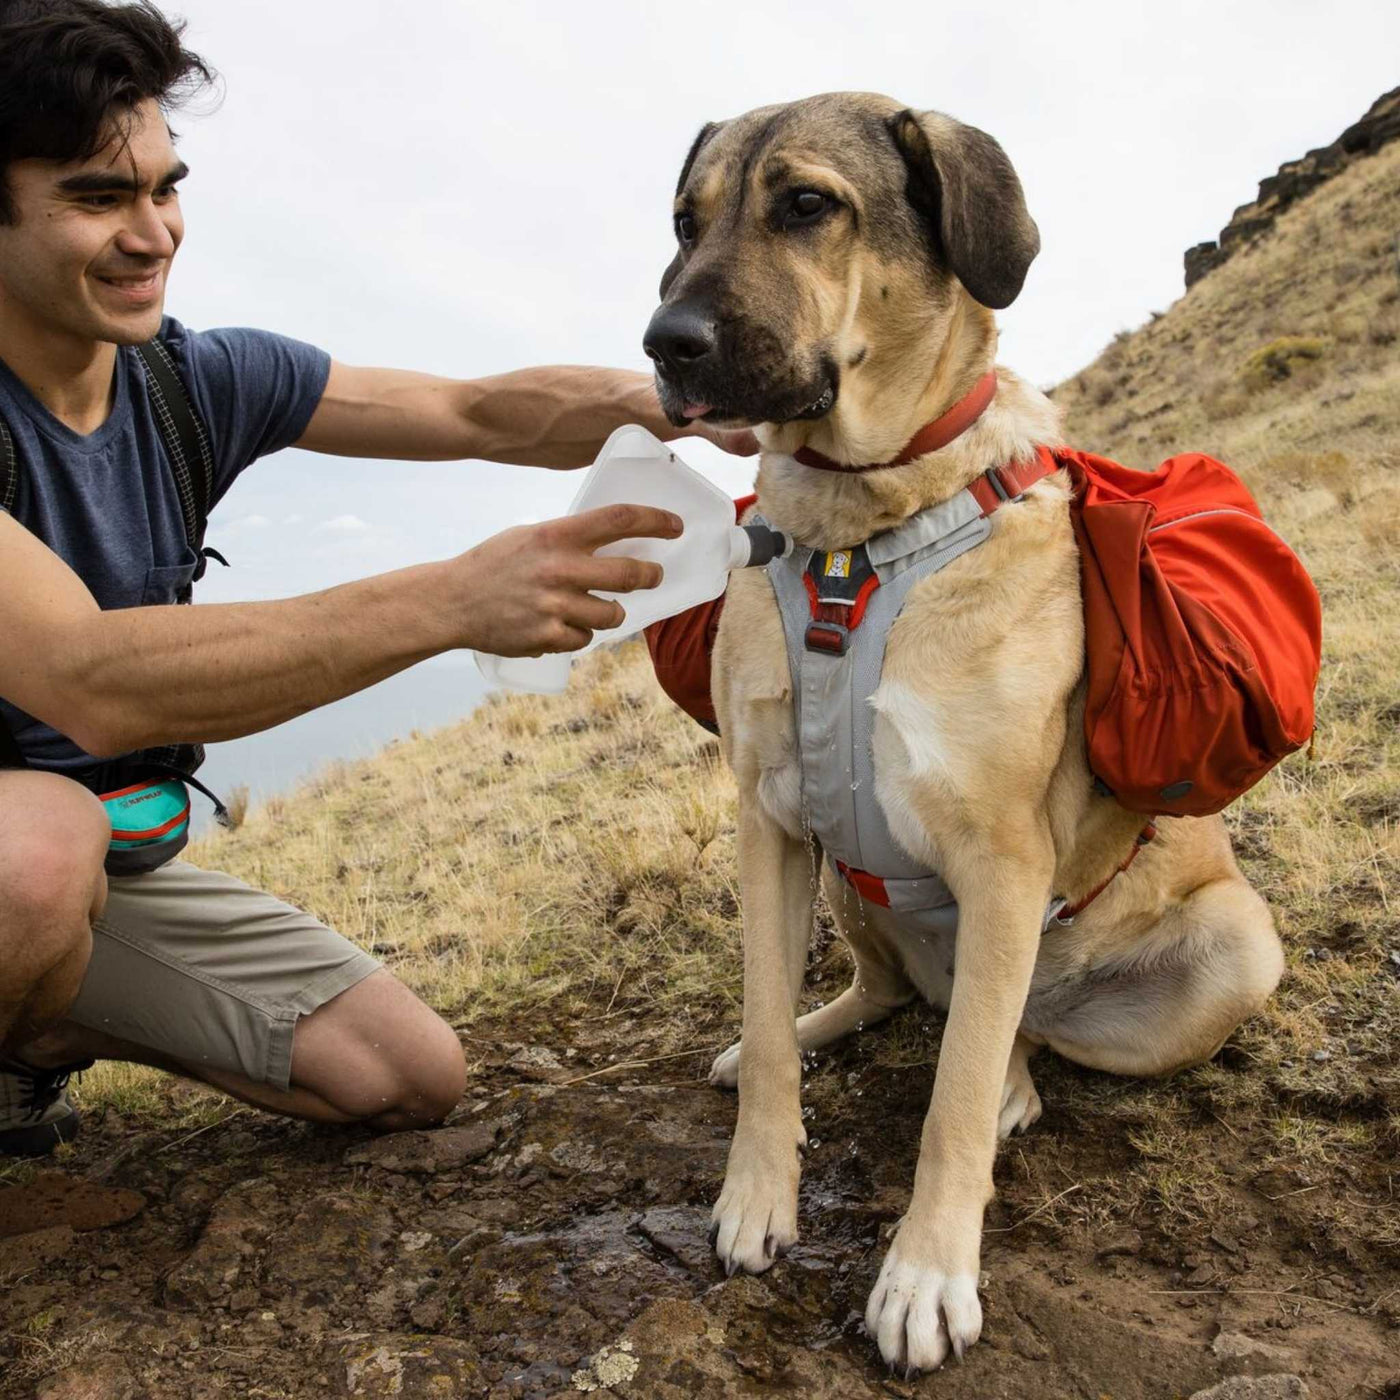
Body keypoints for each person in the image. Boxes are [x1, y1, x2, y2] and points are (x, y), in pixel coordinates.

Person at [0, 0, 753, 1156]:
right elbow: (88, 682)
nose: (153, 233)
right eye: (98, 198)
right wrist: (454, 599)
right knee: (35, 850)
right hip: (27, 852)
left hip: (96, 861)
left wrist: (687, 402)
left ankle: (33, 1037)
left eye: (164, 186)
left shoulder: (184, 380)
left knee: (405, 1071)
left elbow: (469, 410)